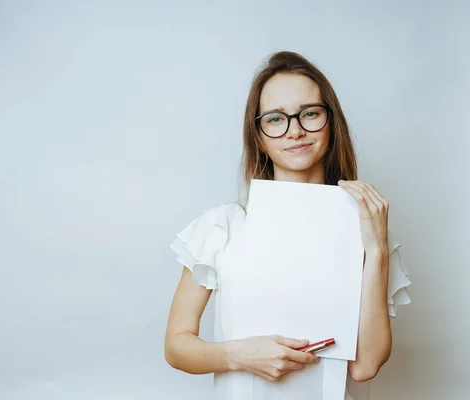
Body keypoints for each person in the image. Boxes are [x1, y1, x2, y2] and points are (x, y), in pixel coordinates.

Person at [164, 51, 412, 400]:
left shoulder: (368, 233)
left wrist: (376, 249)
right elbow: (176, 346)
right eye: (276, 119)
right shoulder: (221, 227)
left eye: (309, 114)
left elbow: (365, 366)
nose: (294, 131)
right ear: (259, 136)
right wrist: (240, 355)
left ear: (331, 124)